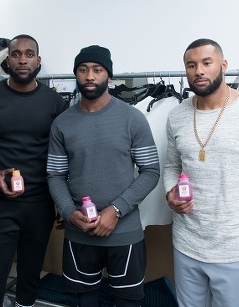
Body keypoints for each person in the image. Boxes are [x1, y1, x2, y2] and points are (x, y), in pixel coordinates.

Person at [163, 38, 239, 307]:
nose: (199, 71)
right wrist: (169, 193)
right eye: (191, 65)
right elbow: (172, 166)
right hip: (185, 245)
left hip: (235, 251)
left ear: (223, 65)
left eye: (207, 63)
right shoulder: (177, 116)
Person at [46, 45, 160, 307]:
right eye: (83, 70)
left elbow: (151, 171)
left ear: (108, 76)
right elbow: (55, 174)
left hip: (125, 233)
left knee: (128, 302)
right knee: (85, 301)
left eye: (97, 70)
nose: (89, 76)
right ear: (76, 74)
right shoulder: (62, 123)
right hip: (79, 232)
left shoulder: (132, 119)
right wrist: (67, 211)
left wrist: (116, 210)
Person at [0, 34, 67, 307]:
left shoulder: (56, 103)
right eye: (16, 54)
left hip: (40, 203)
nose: (23, 59)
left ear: (38, 60)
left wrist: (63, 200)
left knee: (31, 273)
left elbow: (64, 155)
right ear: (7, 60)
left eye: (29, 54)